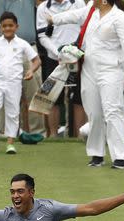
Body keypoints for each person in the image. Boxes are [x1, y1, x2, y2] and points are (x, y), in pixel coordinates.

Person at [50, 0, 124, 169]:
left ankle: (120, 157)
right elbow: (74, 15)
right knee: (93, 112)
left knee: (112, 110)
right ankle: (96, 153)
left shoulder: (121, 19)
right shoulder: (90, 10)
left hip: (112, 70)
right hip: (89, 69)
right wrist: (54, 19)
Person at [0, 11, 40, 155]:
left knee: (13, 112)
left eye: (11, 26)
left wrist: (31, 71)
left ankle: (10, 143)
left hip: (14, 82)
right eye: (5, 26)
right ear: (0, 27)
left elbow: (36, 60)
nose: (8, 28)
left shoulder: (22, 43)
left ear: (16, 27)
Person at [36, 0, 85, 138]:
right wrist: (58, 53)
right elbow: (42, 36)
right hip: (53, 58)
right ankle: (53, 136)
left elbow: (84, 28)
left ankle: (80, 136)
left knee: (79, 97)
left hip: (77, 56)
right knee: (51, 98)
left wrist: (73, 49)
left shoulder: (79, 3)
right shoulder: (42, 7)